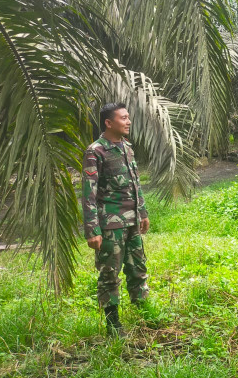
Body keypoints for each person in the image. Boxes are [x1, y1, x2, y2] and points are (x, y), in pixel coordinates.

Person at [82, 103, 150, 337]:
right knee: (110, 272)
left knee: (138, 267)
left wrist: (142, 212)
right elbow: (88, 192)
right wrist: (92, 230)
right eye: (123, 118)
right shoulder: (96, 151)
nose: (128, 121)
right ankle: (113, 324)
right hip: (110, 223)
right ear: (109, 123)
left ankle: (143, 312)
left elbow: (136, 182)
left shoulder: (127, 147)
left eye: (128, 117)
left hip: (132, 221)